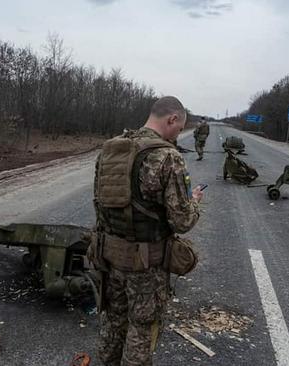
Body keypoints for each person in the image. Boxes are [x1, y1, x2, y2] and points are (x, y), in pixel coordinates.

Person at [93, 96, 203, 366]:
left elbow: (99, 204)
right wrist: (195, 204)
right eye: (179, 128)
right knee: (141, 329)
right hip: (146, 266)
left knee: (113, 323)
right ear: (172, 119)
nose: (178, 134)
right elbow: (181, 221)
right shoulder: (168, 157)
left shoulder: (110, 149)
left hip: (109, 257)